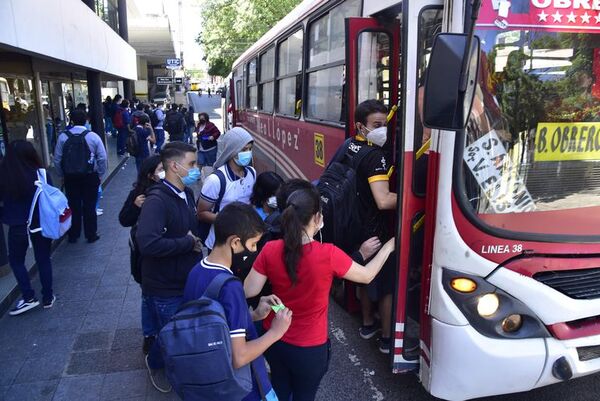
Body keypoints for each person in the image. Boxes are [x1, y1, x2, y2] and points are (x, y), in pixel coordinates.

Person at [244, 186, 394, 401]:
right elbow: (367, 276)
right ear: (316, 218)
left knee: (279, 391)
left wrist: (269, 306)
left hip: (273, 338)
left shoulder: (270, 249)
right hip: (309, 348)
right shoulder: (328, 254)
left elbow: (250, 290)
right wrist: (389, 247)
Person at [184, 202, 292, 401]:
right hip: (238, 388)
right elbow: (239, 356)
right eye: (252, 245)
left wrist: (253, 315)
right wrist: (276, 332)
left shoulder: (196, 271)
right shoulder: (231, 286)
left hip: (207, 374)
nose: (253, 251)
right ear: (235, 242)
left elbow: (216, 323)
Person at [135, 141, 203, 393]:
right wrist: (186, 243)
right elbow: (148, 244)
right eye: (192, 164)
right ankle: (160, 368)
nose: (197, 169)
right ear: (174, 166)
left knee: (176, 332)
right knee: (172, 337)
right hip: (165, 287)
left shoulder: (187, 193)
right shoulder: (157, 200)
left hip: (185, 279)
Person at [346, 99, 398, 353]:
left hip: (353, 225)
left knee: (362, 276)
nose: (383, 130)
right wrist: (415, 198)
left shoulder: (350, 145)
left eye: (385, 124)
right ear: (361, 126)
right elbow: (384, 200)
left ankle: (367, 324)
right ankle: (388, 338)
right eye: (377, 124)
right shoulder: (375, 156)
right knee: (386, 285)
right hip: (374, 230)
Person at [0, 140, 56, 315]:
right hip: (40, 224)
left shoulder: (4, 176)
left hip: (17, 226)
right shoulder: (42, 174)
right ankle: (48, 297)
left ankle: (28, 296)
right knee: (43, 259)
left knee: (16, 261)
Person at [118, 155, 164, 354]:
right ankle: (150, 335)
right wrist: (135, 206)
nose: (165, 171)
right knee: (147, 297)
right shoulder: (138, 194)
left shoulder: (172, 190)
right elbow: (124, 219)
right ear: (150, 175)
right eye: (161, 168)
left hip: (165, 252)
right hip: (144, 256)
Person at [197, 127, 256, 251]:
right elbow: (201, 213)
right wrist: (227, 219)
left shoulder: (252, 173)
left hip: (244, 240)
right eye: (244, 149)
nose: (248, 153)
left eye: (250, 149)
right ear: (231, 151)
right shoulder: (216, 180)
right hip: (220, 244)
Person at [54, 109, 107, 244]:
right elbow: (102, 157)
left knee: (73, 205)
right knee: (90, 205)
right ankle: (91, 234)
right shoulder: (93, 136)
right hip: (90, 176)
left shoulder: (63, 137)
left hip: (70, 177)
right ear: (86, 120)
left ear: (71, 120)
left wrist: (61, 175)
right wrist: (100, 174)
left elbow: (57, 159)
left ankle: (73, 234)